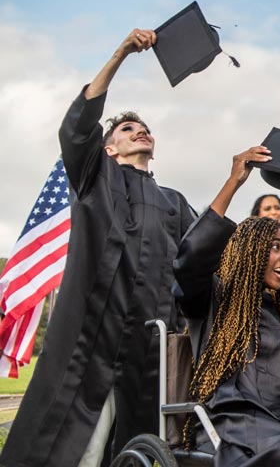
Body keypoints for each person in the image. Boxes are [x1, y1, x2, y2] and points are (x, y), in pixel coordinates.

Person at [1, 29, 197, 467]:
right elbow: (78, 124)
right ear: (109, 148)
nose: (140, 130)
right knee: (81, 453)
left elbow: (204, 254)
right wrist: (123, 52)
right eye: (128, 129)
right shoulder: (95, 178)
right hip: (90, 346)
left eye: (144, 127)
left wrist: (235, 179)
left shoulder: (175, 203)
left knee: (139, 454)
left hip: (150, 358)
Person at [173, 145, 280, 466]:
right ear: (250, 252)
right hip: (236, 426)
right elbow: (191, 260)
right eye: (274, 248)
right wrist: (234, 181)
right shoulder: (215, 300)